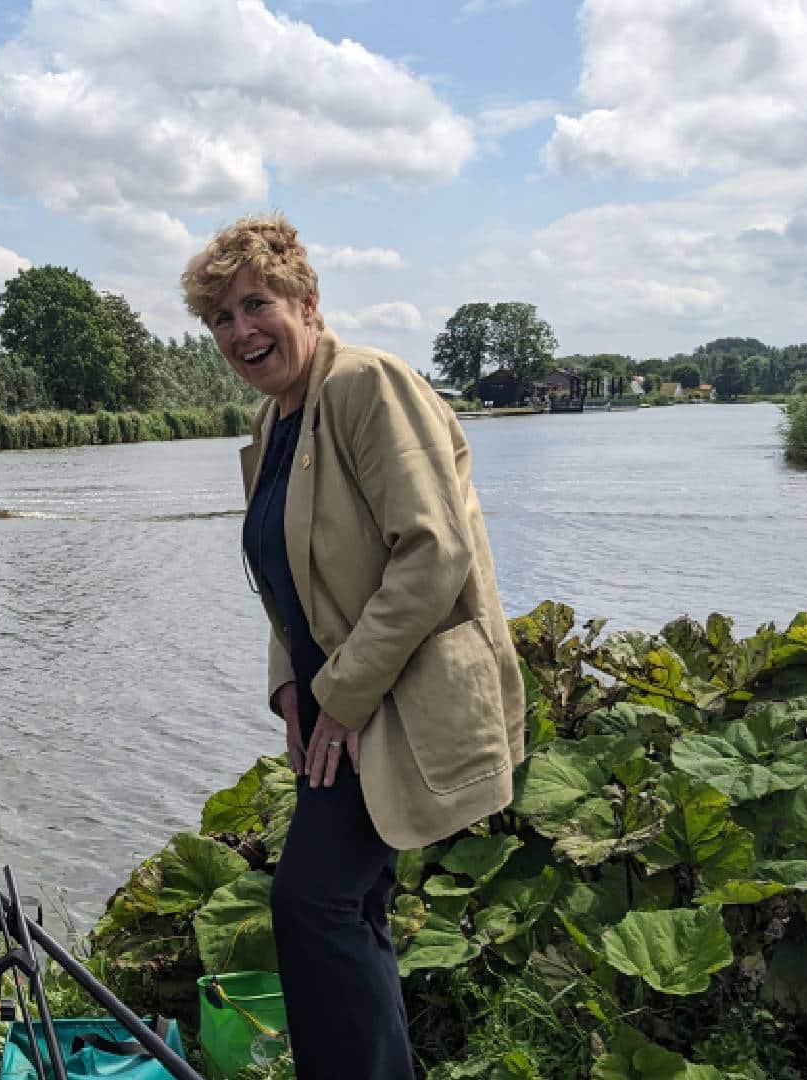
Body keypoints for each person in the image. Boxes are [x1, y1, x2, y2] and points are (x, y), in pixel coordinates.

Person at [179, 214, 525, 1079]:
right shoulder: (270, 432)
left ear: (308, 299)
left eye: (256, 303)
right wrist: (290, 691)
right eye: (220, 318)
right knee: (351, 907)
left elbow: (433, 551)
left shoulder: (367, 386)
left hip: (391, 704)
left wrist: (340, 693)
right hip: (333, 713)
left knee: (314, 906)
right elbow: (287, 585)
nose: (240, 331)